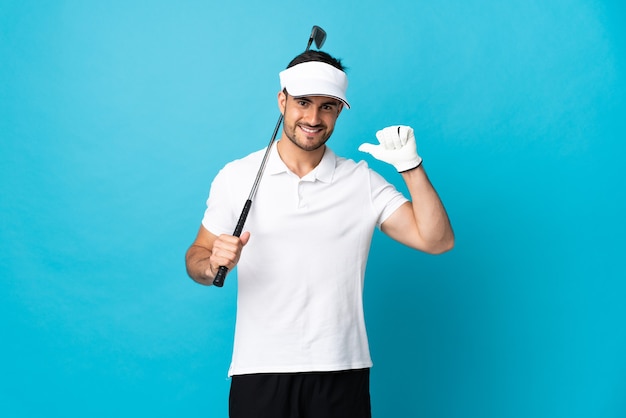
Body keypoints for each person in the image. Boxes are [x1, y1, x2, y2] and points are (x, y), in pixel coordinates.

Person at [185, 50, 454, 418]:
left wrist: (411, 168)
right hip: (259, 369)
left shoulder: (361, 181)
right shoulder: (236, 176)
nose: (313, 118)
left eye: (328, 106)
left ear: (340, 111)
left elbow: (437, 240)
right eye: (303, 102)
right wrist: (211, 262)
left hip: (341, 370)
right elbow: (197, 257)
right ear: (282, 100)